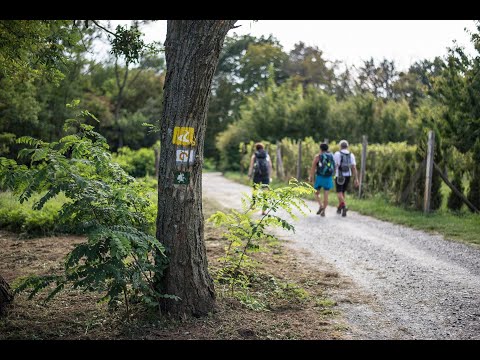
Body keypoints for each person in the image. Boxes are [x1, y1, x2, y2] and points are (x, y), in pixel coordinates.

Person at [333, 139, 359, 217]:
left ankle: (344, 206)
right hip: (348, 175)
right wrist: (356, 178)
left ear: (340, 146)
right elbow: (354, 167)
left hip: (339, 175)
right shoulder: (351, 155)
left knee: (339, 192)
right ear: (347, 146)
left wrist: (332, 174)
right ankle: (339, 207)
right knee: (342, 192)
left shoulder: (337, 154)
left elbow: (335, 165)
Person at [309, 143, 335, 217]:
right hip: (328, 178)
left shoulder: (318, 156)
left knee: (316, 192)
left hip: (320, 177)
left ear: (320, 149)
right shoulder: (331, 156)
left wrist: (311, 176)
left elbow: (313, 167)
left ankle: (320, 205)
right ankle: (324, 210)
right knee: (326, 195)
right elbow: (334, 166)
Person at [248, 143, 273, 215]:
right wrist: (269, 176)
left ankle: (253, 205)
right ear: (263, 148)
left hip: (257, 175)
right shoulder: (267, 155)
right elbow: (270, 166)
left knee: (255, 190)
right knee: (265, 192)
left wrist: (249, 175)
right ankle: (264, 210)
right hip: (265, 175)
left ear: (256, 148)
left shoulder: (254, 155)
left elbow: (251, 166)